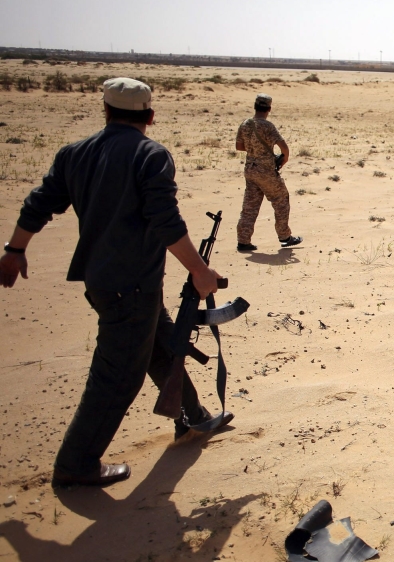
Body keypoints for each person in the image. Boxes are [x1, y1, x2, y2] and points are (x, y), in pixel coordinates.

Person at [0, 78, 231, 487]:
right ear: (150, 116)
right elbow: (165, 219)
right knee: (119, 375)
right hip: (132, 285)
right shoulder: (151, 154)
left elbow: (39, 203)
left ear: (105, 111)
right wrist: (199, 270)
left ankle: (193, 416)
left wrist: (15, 250)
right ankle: (76, 463)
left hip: (105, 281)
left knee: (161, 343)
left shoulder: (75, 153)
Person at [234, 93, 302, 252]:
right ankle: (285, 237)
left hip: (250, 169)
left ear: (255, 107)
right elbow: (283, 147)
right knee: (281, 200)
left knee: (250, 206)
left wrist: (253, 150)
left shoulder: (245, 124)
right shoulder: (267, 126)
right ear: (269, 109)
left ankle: (243, 241)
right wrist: (283, 159)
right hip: (266, 171)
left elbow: (239, 147)